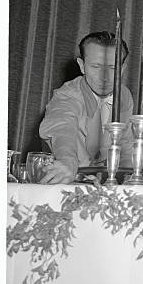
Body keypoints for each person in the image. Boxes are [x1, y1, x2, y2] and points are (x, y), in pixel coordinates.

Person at [39, 31, 134, 184]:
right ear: (82, 66)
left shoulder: (124, 95)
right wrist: (67, 161)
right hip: (68, 180)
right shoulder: (68, 94)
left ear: (122, 69)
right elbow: (62, 126)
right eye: (96, 66)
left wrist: (130, 178)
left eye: (112, 68)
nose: (104, 77)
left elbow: (126, 143)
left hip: (106, 184)